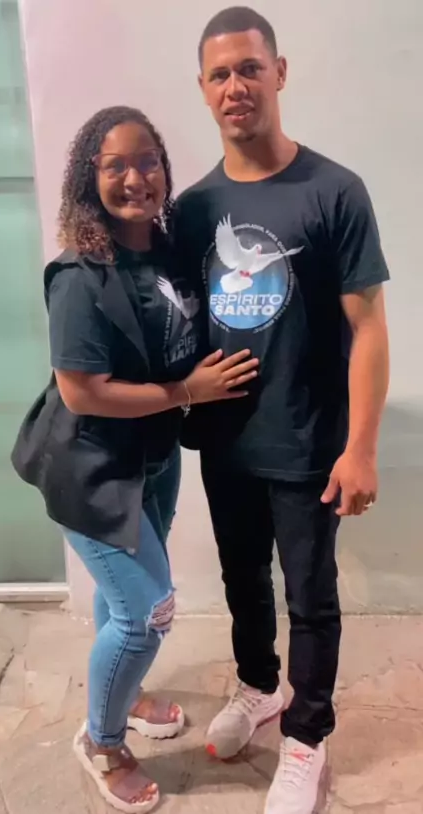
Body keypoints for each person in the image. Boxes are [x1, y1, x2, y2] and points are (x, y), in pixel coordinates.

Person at [11, 105, 259, 814]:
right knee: (147, 613)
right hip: (89, 467)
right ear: (88, 177)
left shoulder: (169, 251)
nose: (134, 177)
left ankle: (123, 687)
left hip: (152, 456)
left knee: (124, 602)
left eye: (147, 160)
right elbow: (82, 392)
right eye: (114, 165)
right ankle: (102, 741)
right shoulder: (79, 275)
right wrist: (187, 392)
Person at [175, 7, 390, 814]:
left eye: (249, 68)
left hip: (307, 442)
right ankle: (260, 686)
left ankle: (306, 737)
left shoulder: (334, 191)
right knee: (242, 582)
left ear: (279, 73)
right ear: (203, 90)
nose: (235, 85)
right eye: (219, 74)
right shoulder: (193, 209)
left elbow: (369, 328)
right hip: (225, 442)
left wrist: (360, 447)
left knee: (310, 595)